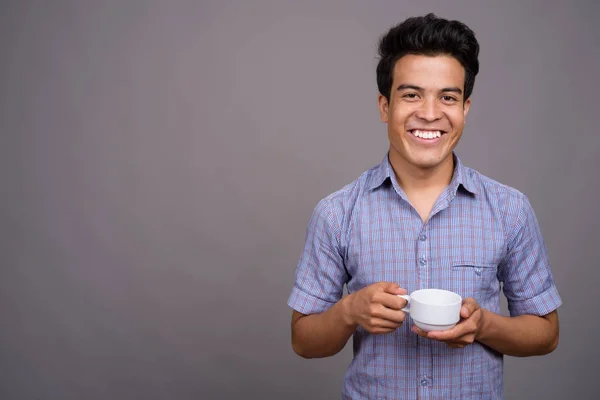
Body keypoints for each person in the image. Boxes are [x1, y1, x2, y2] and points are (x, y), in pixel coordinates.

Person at [287, 13, 562, 399]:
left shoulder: (510, 209)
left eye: (447, 97)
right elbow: (303, 340)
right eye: (411, 94)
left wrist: (482, 326)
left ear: (465, 108)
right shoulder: (337, 213)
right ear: (385, 106)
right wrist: (349, 312)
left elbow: (546, 334)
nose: (430, 113)